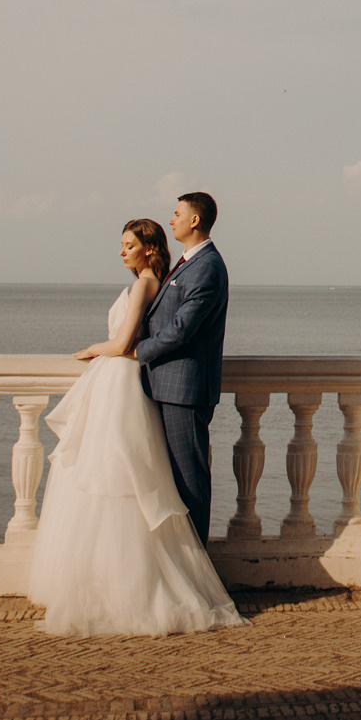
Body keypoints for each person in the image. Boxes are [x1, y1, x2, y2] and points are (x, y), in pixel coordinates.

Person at [23, 215, 242, 637]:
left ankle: (148, 580)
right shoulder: (166, 276)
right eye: (121, 245)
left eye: (128, 245)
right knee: (130, 474)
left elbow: (125, 344)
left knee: (118, 475)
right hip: (132, 383)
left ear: (148, 248)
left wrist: (92, 349)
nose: (121, 251)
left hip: (124, 381)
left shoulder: (152, 282)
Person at [134, 191, 228, 535]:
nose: (170, 219)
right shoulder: (189, 262)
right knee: (172, 481)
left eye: (177, 213)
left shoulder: (207, 267)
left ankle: (199, 570)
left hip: (184, 392)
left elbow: (181, 329)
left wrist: (138, 352)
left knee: (190, 482)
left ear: (195, 220)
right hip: (167, 387)